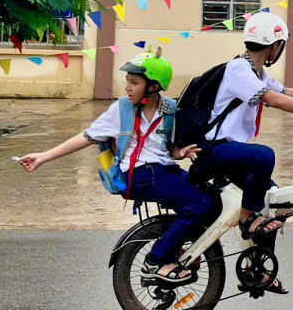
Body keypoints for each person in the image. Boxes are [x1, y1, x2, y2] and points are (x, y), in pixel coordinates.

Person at [17, 52, 221, 285]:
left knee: (214, 200)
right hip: (139, 174)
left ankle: (177, 249)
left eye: (134, 82)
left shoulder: (170, 110)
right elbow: (87, 137)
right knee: (200, 204)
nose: (127, 88)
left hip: (163, 170)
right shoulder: (122, 109)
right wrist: (43, 157)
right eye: (128, 81)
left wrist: (180, 153)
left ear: (153, 87)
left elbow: (169, 147)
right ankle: (156, 260)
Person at [189, 12, 293, 295]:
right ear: (275, 45)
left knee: (275, 202)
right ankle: (247, 219)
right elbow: (274, 99)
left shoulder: (256, 72)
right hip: (213, 149)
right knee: (264, 156)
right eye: (280, 44)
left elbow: (287, 92)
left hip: (229, 151)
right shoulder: (239, 69)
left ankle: (256, 272)